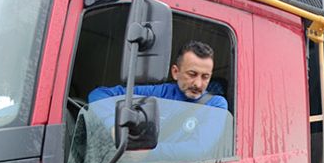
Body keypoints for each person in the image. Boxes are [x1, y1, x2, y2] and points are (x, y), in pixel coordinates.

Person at [88, 40, 228, 110]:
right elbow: (98, 95)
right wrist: (112, 124)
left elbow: (198, 148)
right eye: (192, 74)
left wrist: (143, 150)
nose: (198, 84)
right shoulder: (160, 93)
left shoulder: (215, 104)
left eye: (205, 77)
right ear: (175, 72)